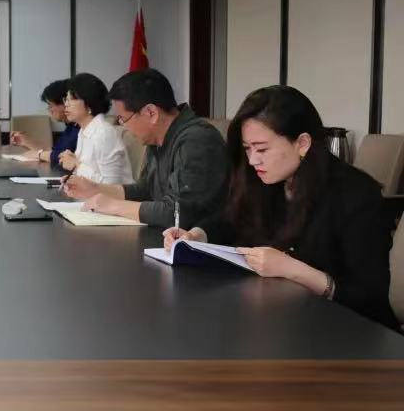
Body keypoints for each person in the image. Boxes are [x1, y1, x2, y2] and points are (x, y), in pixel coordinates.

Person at [164, 86, 397, 329]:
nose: (253, 160)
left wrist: (292, 269)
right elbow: (231, 219)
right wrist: (195, 235)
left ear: (302, 144)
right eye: (247, 148)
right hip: (282, 319)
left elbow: (370, 298)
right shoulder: (266, 177)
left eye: (262, 149)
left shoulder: (355, 195)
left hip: (345, 332)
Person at [63, 68, 228, 228]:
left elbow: (178, 213)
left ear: (151, 113)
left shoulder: (197, 140)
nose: (123, 126)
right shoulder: (156, 138)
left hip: (199, 243)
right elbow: (146, 190)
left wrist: (113, 205)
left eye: (123, 118)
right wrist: (96, 189)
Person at [57, 73, 133, 185]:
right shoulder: (83, 130)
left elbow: (111, 186)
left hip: (113, 196)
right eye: (66, 99)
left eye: (72, 99)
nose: (66, 105)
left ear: (89, 104)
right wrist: (73, 175)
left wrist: (76, 165)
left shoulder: (104, 133)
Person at [10, 79, 79, 164]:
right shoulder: (71, 127)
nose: (49, 110)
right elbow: (54, 152)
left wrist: (38, 155)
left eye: (50, 105)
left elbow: (58, 156)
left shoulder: (78, 128)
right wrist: (26, 142)